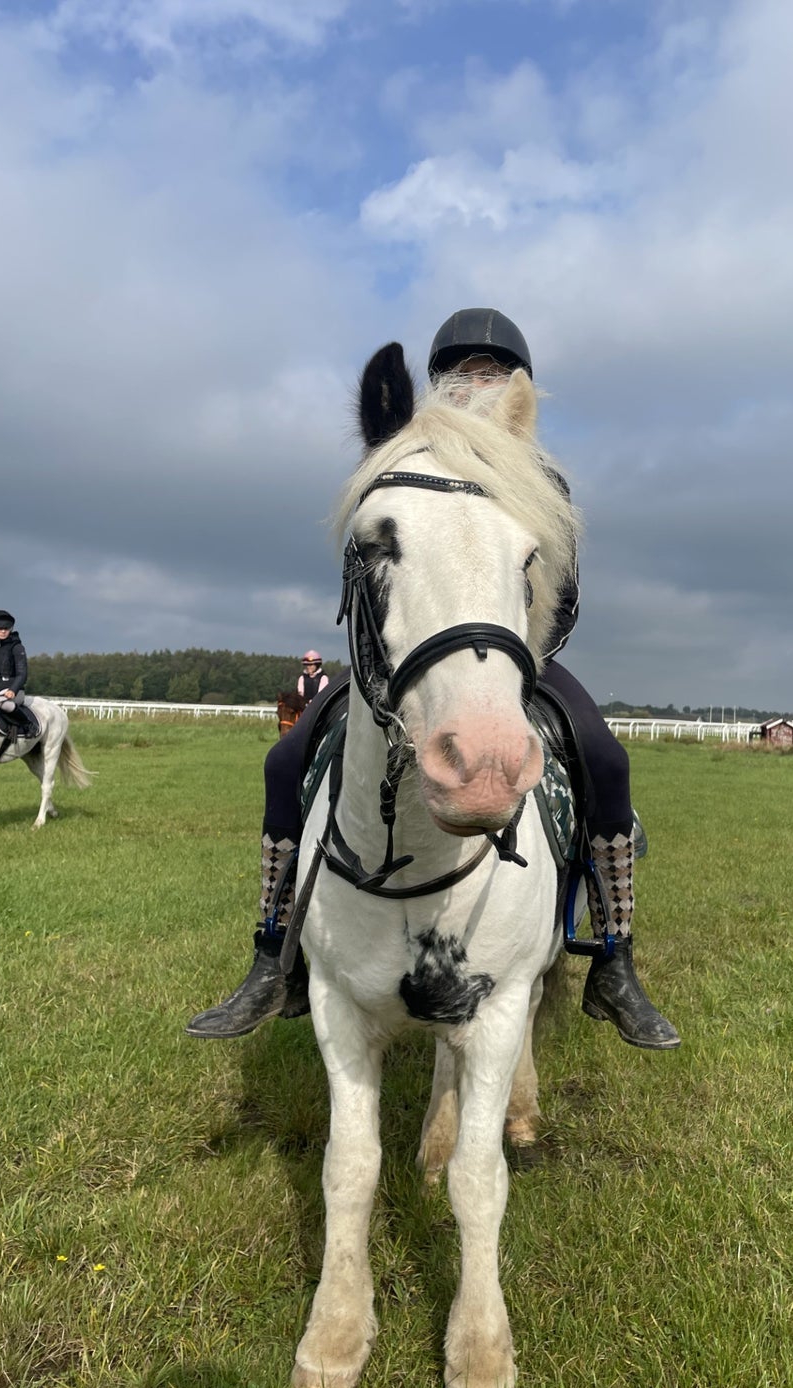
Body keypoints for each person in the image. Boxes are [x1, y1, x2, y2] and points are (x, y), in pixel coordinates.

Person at [186, 310, 679, 1050]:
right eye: (460, 372)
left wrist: (523, 659)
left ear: (517, 390)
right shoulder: (403, 460)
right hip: (408, 661)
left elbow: (563, 593)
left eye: (492, 373)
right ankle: (273, 948)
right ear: (438, 382)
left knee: (606, 759)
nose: (475, 384)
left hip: (518, 659)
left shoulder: (538, 479)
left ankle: (613, 956)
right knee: (285, 760)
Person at [0, 609, 28, 715]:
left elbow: (22, 673)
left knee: (2, 703)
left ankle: (28, 725)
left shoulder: (17, 647)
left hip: (12, 689)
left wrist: (13, 690)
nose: (3, 631)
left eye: (6, 628)